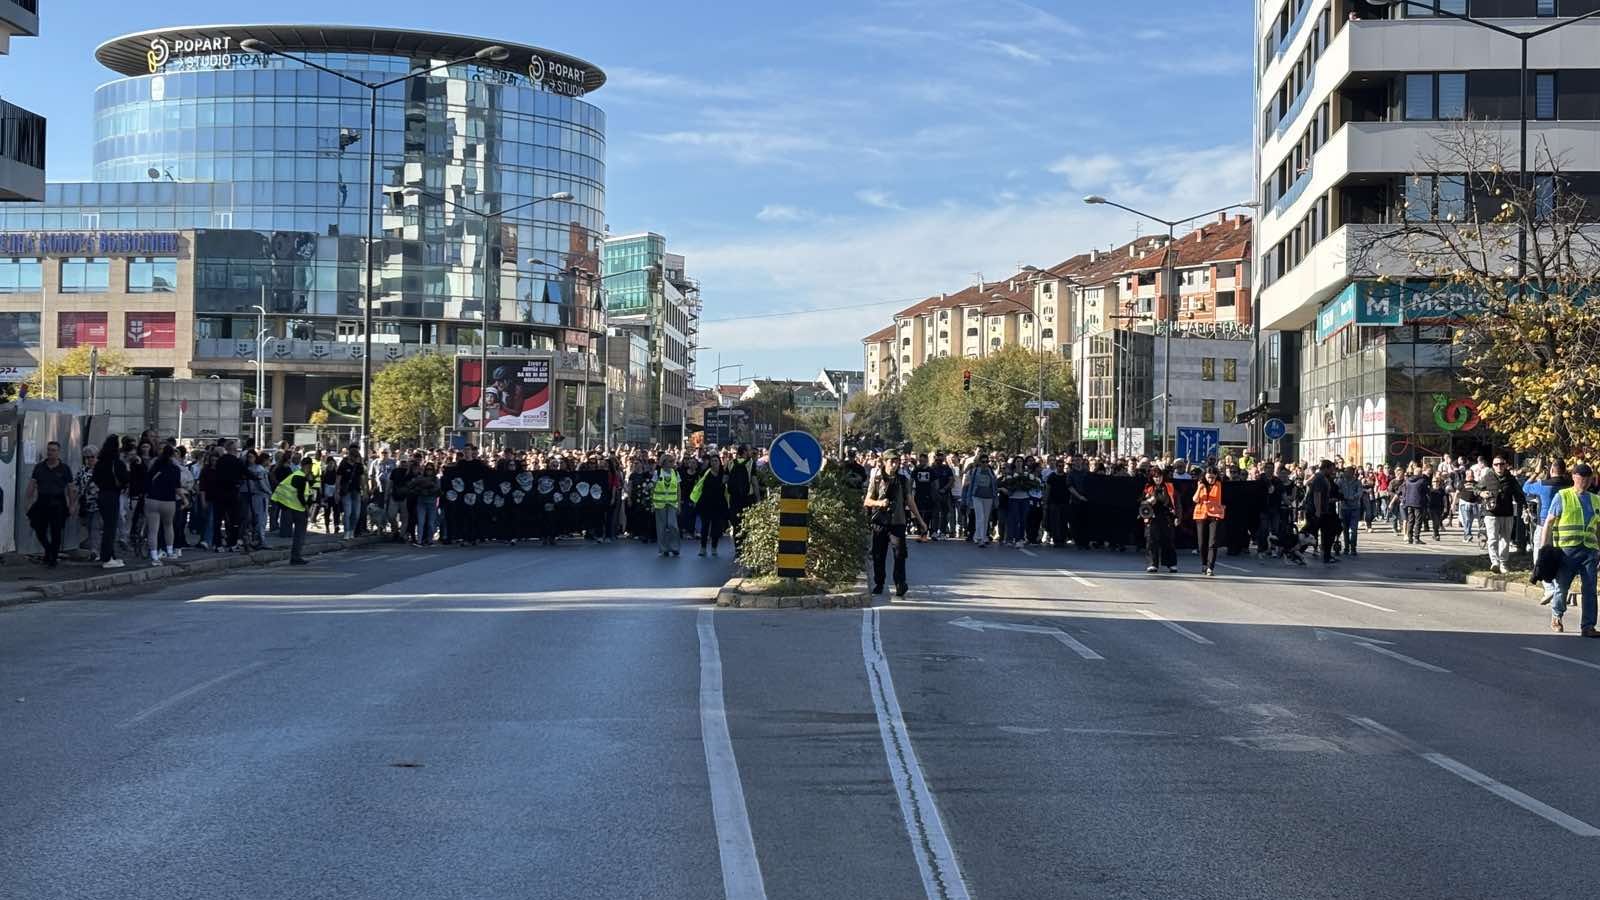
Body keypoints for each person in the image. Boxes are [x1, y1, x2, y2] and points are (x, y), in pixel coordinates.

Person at [1544, 462, 1600, 637]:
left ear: (1591, 479)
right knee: (1562, 586)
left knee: (1590, 588)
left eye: (1587, 477)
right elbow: (1549, 522)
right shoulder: (1563, 496)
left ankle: (1588, 626)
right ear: (1574, 477)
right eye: (1580, 477)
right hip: (1567, 550)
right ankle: (1556, 616)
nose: (1584, 480)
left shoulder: (1595, 499)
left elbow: (1598, 527)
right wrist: (1544, 548)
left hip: (1589, 550)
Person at [865, 449, 924, 596]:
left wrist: (920, 521)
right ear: (884, 462)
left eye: (897, 461)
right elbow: (867, 500)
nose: (895, 464)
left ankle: (900, 583)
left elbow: (910, 501)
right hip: (880, 522)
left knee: (900, 553)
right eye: (892, 461)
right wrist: (879, 503)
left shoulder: (903, 481)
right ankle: (879, 583)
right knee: (879, 555)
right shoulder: (877, 479)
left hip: (898, 522)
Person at [26, 441, 78, 568]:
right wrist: (28, 502)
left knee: (56, 532)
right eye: (49, 450)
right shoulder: (40, 467)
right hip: (42, 501)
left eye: (53, 450)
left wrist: (72, 505)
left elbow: (71, 488)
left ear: (58, 452)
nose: (50, 452)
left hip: (58, 502)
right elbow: (32, 485)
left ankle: (52, 558)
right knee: (38, 527)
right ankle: (48, 549)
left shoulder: (64, 468)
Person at [92, 435, 130, 569]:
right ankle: (107, 558)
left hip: (101, 494)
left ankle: (109, 555)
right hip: (112, 494)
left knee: (107, 526)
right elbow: (125, 478)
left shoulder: (100, 462)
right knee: (110, 528)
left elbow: (95, 478)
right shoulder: (117, 463)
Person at [271, 455, 314, 565]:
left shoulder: (295, 475)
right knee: (300, 534)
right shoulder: (300, 477)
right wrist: (306, 508)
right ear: (308, 466)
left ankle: (295, 556)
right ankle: (296, 557)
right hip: (297, 508)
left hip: (287, 505)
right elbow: (301, 495)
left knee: (290, 532)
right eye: (310, 467)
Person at [144, 445, 182, 565]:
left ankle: (154, 556)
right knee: (168, 526)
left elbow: (147, 480)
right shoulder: (175, 469)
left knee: (153, 530)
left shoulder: (155, 466)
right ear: (172, 455)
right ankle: (170, 552)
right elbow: (177, 487)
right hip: (169, 500)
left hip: (153, 499)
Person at [692, 454, 731, 557]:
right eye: (712, 461)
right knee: (705, 526)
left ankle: (714, 547)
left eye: (716, 461)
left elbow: (727, 487)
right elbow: (700, 486)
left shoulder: (723, 474)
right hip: (706, 504)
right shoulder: (706, 473)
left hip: (719, 504)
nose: (714, 463)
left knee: (716, 527)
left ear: (719, 462)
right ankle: (703, 548)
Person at [1141, 467, 1178, 574]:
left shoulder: (1169, 487)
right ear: (1152, 478)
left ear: (1163, 477)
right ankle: (1152, 564)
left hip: (1166, 516)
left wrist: (1177, 517)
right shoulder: (1148, 488)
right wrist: (1148, 501)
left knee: (1168, 540)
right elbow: (1140, 502)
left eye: (1159, 476)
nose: (1157, 479)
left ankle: (1171, 564)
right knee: (1151, 540)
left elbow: (1177, 502)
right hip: (1152, 517)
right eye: (1155, 477)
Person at [1192, 467, 1226, 576]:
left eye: (1212, 477)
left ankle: (1210, 567)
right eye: (1208, 477)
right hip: (1201, 515)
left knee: (1213, 542)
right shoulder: (1200, 484)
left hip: (1214, 515)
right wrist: (1199, 488)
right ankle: (1203, 564)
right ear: (1205, 476)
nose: (1210, 479)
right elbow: (1195, 499)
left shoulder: (1220, 485)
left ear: (1216, 476)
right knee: (1202, 543)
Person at [964, 454, 998, 547]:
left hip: (988, 497)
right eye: (983, 462)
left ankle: (981, 536)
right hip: (977, 496)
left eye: (987, 461)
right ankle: (980, 538)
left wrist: (995, 498)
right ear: (979, 462)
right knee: (980, 517)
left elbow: (994, 485)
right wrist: (968, 498)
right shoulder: (975, 471)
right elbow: (970, 486)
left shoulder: (991, 472)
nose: (985, 464)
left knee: (986, 518)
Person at [652, 454, 683, 557]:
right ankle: (663, 548)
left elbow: (678, 489)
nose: (672, 463)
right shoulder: (658, 473)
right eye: (670, 461)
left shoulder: (675, 473)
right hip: (660, 503)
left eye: (673, 461)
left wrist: (679, 504)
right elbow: (653, 488)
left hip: (672, 503)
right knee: (661, 527)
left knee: (672, 525)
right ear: (664, 462)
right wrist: (652, 503)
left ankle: (674, 547)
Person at [1402, 465, 1430, 545]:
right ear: (1420, 473)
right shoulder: (1422, 481)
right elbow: (1426, 492)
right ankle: (1416, 538)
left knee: (1411, 520)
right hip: (1419, 503)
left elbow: (1405, 491)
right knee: (1418, 521)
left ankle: (1409, 538)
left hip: (1409, 503)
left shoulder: (1407, 480)